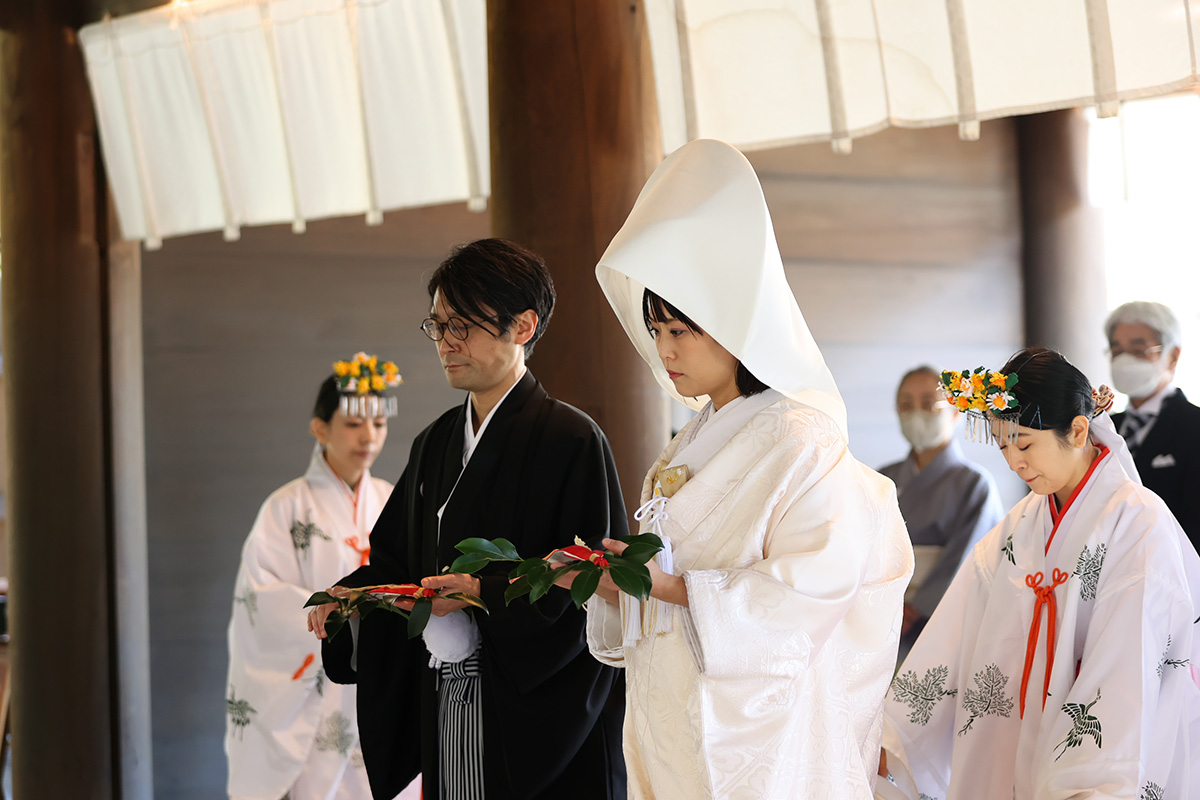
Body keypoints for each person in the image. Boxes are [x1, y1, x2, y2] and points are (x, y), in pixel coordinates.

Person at [580, 138, 914, 798]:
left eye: (682, 331)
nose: (665, 350)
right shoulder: (686, 440)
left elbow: (817, 585)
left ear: (736, 327)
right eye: (657, 331)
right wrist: (616, 586)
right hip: (673, 709)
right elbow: (664, 572)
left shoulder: (802, 437)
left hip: (756, 731)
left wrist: (677, 590)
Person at [308, 239, 628, 800]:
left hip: (537, 712)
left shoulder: (571, 439)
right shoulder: (434, 443)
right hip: (448, 696)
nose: (447, 344)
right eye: (438, 327)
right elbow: (393, 562)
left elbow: (592, 579)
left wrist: (484, 592)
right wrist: (354, 600)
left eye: (464, 327)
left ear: (523, 326)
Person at [878, 347, 1200, 800]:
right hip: (1013, 735)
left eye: (1025, 443)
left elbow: (1129, 661)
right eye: (1003, 444)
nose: (1014, 462)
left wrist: (1091, 781)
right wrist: (897, 736)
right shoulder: (1020, 525)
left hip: (1093, 748)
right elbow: (955, 633)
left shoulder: (1138, 522)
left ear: (1078, 429)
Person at [226, 354, 400, 800]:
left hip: (377, 678)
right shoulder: (285, 508)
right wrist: (338, 616)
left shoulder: (391, 501)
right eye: (354, 424)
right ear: (320, 427)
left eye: (379, 424)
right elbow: (262, 600)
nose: (369, 436)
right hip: (313, 686)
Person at [879, 366, 1003, 659]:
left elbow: (971, 556)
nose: (916, 413)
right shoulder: (883, 478)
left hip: (941, 617)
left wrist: (916, 608)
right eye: (906, 405)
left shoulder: (974, 483)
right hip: (884, 613)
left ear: (956, 412)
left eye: (928, 404)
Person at [1106, 300, 1200, 548]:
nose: (1125, 361)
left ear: (1173, 356)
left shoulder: (1194, 427)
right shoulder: (1103, 427)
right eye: (1117, 351)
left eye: (1139, 350)